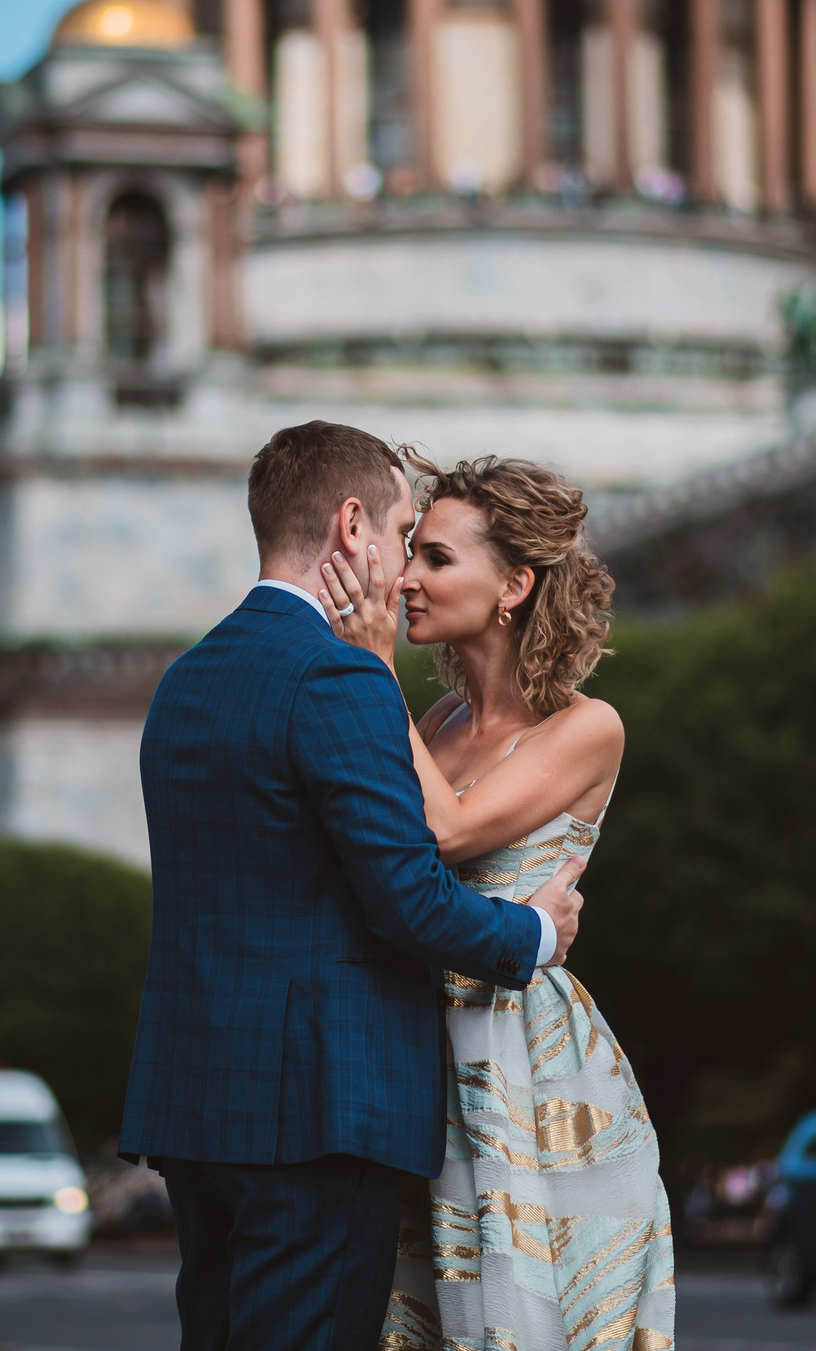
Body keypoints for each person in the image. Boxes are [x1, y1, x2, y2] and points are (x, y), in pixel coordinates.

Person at [120, 422, 587, 1351]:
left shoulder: (187, 677)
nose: (404, 564)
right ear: (350, 527)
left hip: (196, 1103)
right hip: (320, 1112)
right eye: (404, 531)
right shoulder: (337, 673)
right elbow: (407, 896)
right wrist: (533, 933)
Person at [314, 452, 674, 1350]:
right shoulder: (437, 725)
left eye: (436, 559)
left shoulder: (589, 726)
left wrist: (371, 667)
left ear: (513, 583)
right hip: (424, 1050)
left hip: (530, 1064)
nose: (404, 578)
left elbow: (445, 833)